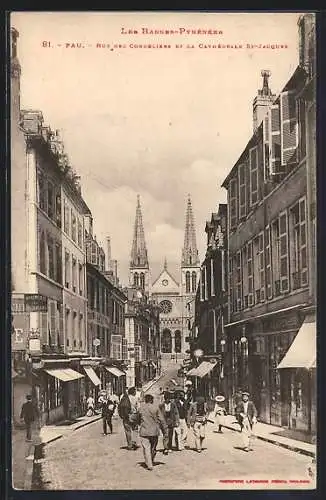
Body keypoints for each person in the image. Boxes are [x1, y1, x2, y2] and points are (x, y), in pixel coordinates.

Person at [139, 394, 168, 471]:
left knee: (146, 448)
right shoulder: (156, 408)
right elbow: (161, 419)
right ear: (152, 400)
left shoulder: (141, 408)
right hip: (154, 431)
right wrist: (165, 429)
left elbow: (136, 418)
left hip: (144, 431)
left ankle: (149, 464)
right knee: (153, 448)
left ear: (145, 400)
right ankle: (151, 460)